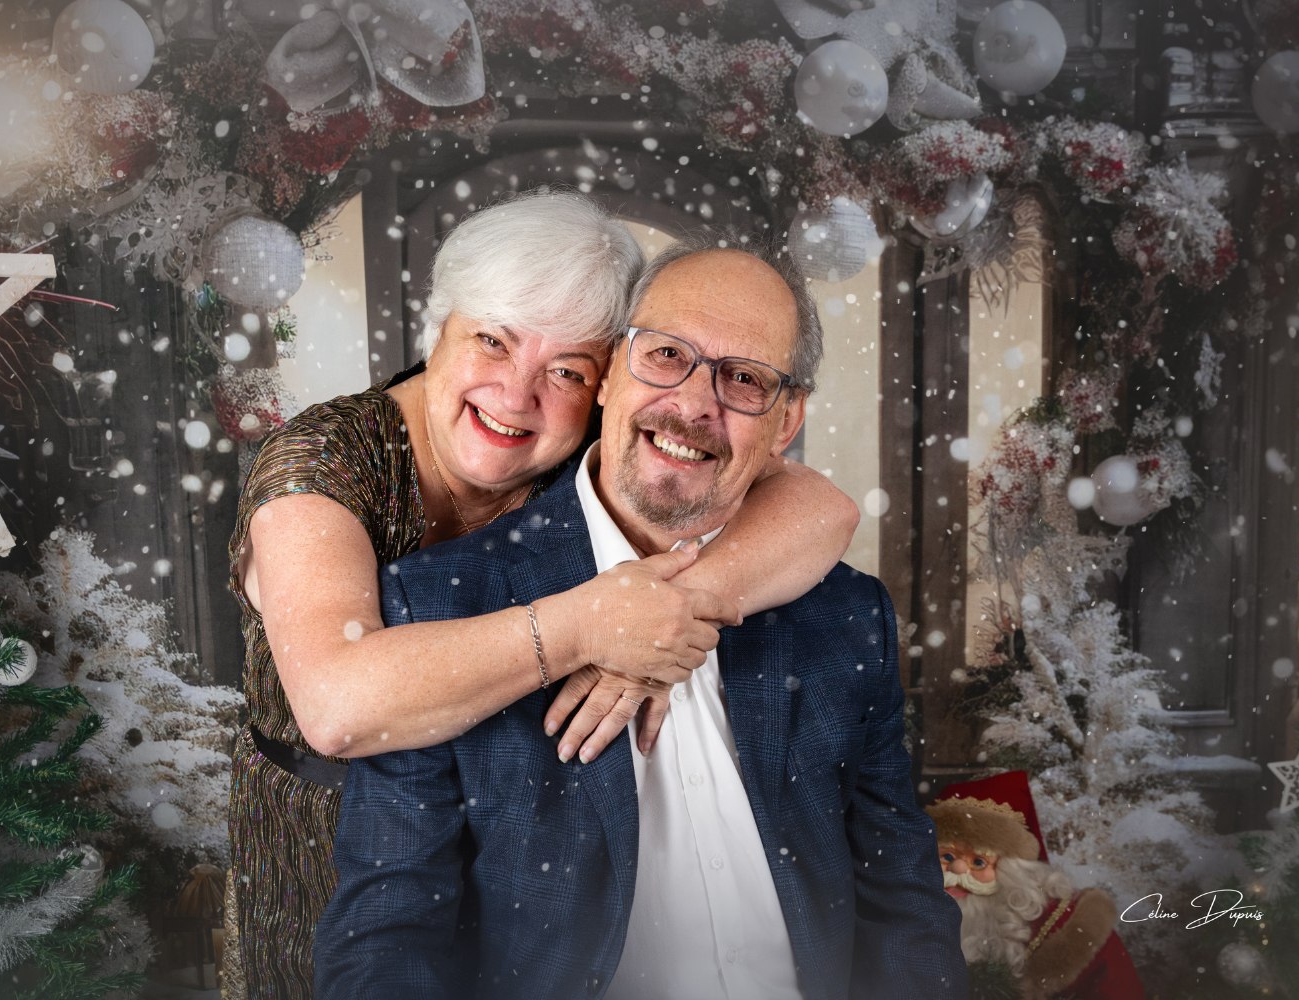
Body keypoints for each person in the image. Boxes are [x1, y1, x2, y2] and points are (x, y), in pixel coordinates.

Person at [224, 192, 860, 999]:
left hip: (502, 838)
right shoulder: (320, 462)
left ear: (606, 380)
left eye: (566, 370)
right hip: (319, 839)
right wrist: (590, 626)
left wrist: (671, 609)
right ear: (438, 328)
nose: (517, 393)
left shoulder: (592, 440)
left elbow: (822, 509)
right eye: (492, 340)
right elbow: (338, 708)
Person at [926, 771, 1145, 1000]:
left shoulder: (1068, 925)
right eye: (947, 857)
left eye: (979, 862)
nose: (958, 869)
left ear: (1013, 870)